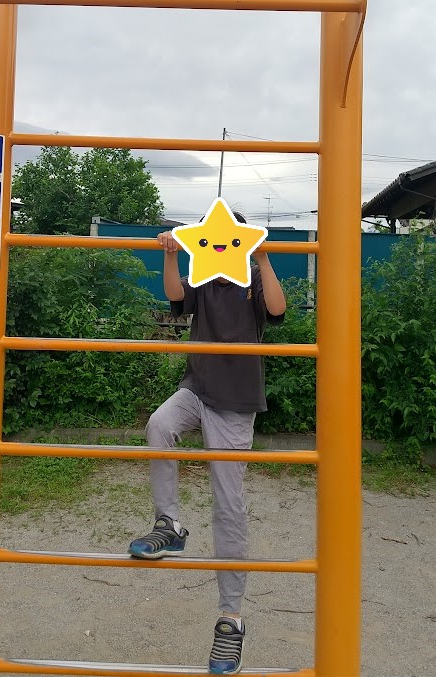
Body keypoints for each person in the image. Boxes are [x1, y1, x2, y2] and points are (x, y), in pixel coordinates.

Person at [129, 213, 286, 675]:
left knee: (228, 506)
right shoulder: (202, 274)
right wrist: (171, 255)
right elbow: (176, 299)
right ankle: (170, 525)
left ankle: (231, 617)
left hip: (235, 402)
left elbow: (278, 311)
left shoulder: (250, 277)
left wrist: (263, 257)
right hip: (196, 389)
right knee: (159, 425)